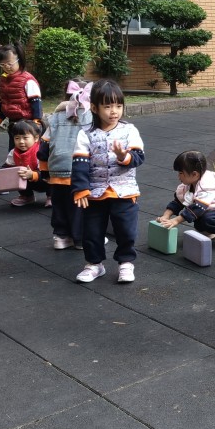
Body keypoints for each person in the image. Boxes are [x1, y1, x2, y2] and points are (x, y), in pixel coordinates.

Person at [71, 79, 144, 284]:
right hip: (95, 192)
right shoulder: (85, 134)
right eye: (108, 106)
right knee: (92, 231)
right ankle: (94, 264)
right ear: (94, 108)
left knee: (126, 229)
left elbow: (138, 157)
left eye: (119, 106)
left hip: (124, 191)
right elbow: (80, 163)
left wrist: (124, 156)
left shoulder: (129, 130)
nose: (114, 111)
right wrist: (80, 189)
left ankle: (126, 262)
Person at [38, 80, 94, 249]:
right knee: (79, 206)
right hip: (79, 171)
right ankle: (80, 239)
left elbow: (44, 146)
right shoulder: (92, 117)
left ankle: (61, 237)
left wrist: (44, 171)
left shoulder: (55, 117)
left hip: (57, 170)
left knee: (60, 206)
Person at [156, 150, 215, 250]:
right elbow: (177, 202)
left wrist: (176, 220)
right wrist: (166, 216)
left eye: (181, 173)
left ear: (194, 174)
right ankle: (208, 231)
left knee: (208, 218)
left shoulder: (207, 185)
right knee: (198, 220)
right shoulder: (187, 186)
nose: (178, 176)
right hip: (211, 209)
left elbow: (198, 208)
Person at [0, 43, 42, 152]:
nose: (6, 67)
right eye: (2, 64)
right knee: (14, 148)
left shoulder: (28, 80)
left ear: (19, 60)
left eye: (10, 64)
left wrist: (36, 120)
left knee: (28, 148)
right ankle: (14, 161)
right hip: (12, 122)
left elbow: (36, 101)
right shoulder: (2, 81)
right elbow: (2, 102)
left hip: (28, 122)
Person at [2, 119, 48, 207]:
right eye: (17, 138)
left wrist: (33, 175)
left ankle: (51, 196)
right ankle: (27, 196)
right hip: (28, 179)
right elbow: (7, 166)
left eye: (25, 138)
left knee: (53, 176)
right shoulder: (14, 152)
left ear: (36, 138)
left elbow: (47, 172)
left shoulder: (41, 151)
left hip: (44, 179)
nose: (21, 141)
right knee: (17, 173)